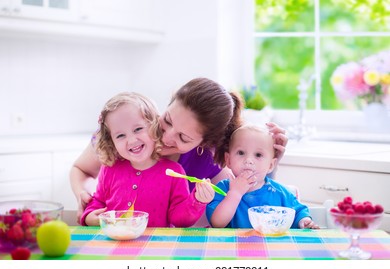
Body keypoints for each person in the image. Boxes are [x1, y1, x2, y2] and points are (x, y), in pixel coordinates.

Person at [70, 77, 288, 224]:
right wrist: (85, 194)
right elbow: (81, 170)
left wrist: (272, 162)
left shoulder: (207, 161)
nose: (166, 137)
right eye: (167, 120)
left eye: (183, 137)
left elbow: (244, 197)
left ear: (204, 144)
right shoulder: (126, 134)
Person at [81, 92, 214, 227]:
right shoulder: (109, 168)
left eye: (138, 129)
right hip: (115, 242)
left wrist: (197, 201)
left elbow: (180, 220)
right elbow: (98, 201)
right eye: (120, 135)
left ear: (154, 126)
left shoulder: (173, 172)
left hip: (155, 245)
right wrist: (89, 216)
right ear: (111, 141)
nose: (132, 140)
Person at [205, 124, 319, 229]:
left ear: (271, 165)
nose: (248, 160)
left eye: (258, 155)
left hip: (271, 248)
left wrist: (303, 221)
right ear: (228, 160)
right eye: (241, 153)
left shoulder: (279, 192)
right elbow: (217, 223)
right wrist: (235, 193)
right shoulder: (222, 188)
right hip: (233, 248)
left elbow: (298, 211)